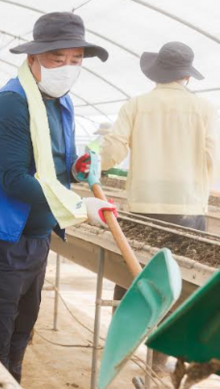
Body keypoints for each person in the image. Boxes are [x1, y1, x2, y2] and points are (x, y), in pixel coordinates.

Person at [0, 12, 116, 383]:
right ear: (33, 59)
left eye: (75, 60)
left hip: (37, 236)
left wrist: (77, 168)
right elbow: (14, 180)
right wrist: (80, 206)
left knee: (21, 328)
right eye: (57, 59)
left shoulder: (61, 101)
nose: (67, 68)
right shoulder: (11, 103)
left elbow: (55, 165)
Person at [100, 41, 219, 371]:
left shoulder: (136, 105)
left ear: (156, 73)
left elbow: (112, 152)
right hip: (187, 209)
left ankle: (121, 350)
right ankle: (159, 360)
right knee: (178, 282)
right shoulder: (205, 109)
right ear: (187, 77)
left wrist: (95, 166)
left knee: (130, 277)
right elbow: (212, 158)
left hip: (143, 206)